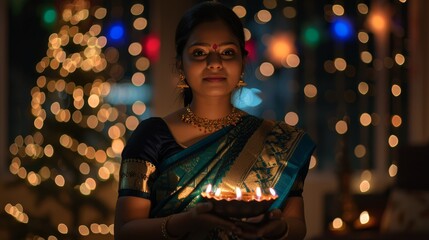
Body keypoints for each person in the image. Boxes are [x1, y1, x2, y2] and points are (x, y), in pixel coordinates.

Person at [114, 1, 315, 239]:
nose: (214, 63)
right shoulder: (151, 137)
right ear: (180, 64)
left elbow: (297, 225)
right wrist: (186, 222)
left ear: (242, 62)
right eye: (199, 53)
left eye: (227, 52)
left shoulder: (277, 142)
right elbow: (125, 231)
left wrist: (278, 228)